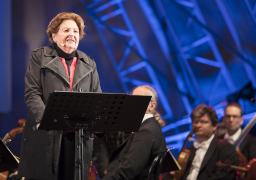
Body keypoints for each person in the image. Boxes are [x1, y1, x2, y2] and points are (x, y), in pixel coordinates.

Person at [18, 12, 102, 180]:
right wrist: (50, 119)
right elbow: (32, 94)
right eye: (66, 30)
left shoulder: (89, 63)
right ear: (54, 35)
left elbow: (96, 99)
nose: (72, 34)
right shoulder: (39, 56)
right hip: (47, 135)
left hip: (79, 138)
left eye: (76, 31)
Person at [101, 85, 167, 180]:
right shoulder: (146, 128)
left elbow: (127, 171)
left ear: (151, 106)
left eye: (138, 98)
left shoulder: (146, 131)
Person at [181, 104, 238, 180]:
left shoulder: (226, 148)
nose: (198, 125)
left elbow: (222, 177)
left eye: (203, 122)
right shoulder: (188, 151)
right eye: (196, 122)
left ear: (214, 126)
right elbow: (173, 173)